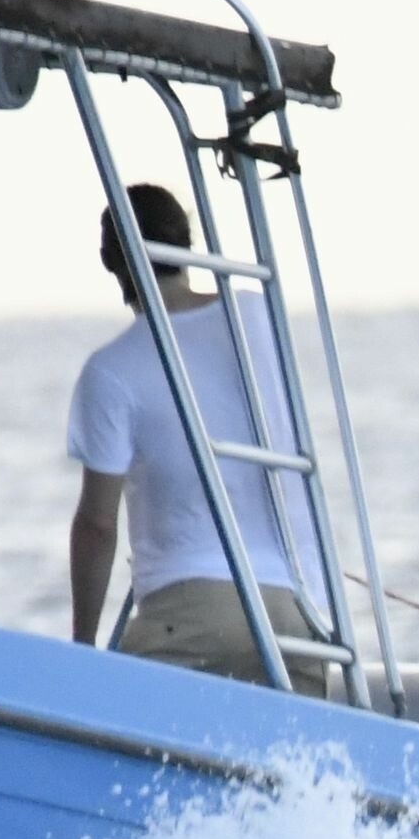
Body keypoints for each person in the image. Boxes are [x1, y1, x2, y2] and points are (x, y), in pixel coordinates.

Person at [68, 184, 328, 696]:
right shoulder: (260, 315)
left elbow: (97, 526)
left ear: (109, 261)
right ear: (186, 243)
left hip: (191, 615)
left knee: (104, 708)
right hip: (297, 613)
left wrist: (81, 645)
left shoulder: (112, 369)